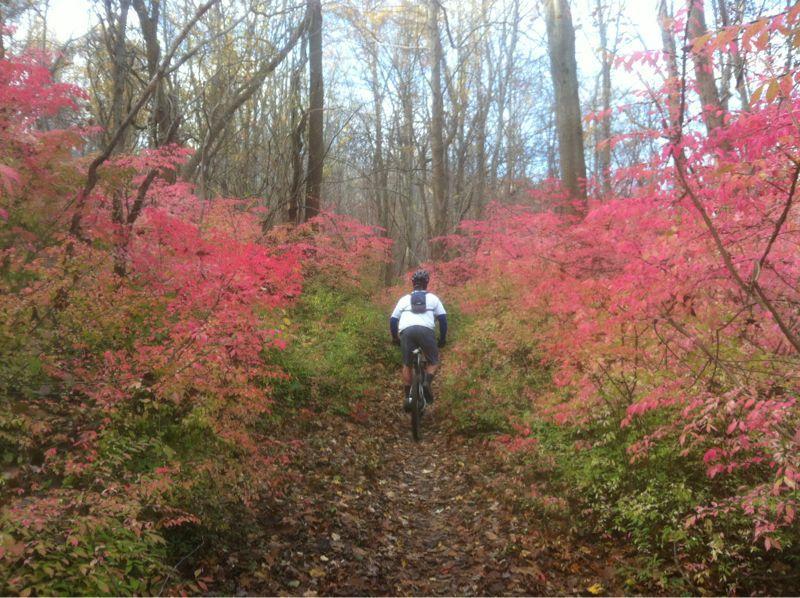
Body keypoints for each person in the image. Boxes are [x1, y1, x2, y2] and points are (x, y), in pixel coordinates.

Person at [389, 269, 447, 411]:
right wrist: (442, 339)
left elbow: (393, 319)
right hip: (426, 332)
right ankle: (426, 382)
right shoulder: (433, 298)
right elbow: (443, 320)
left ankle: (408, 397)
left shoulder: (404, 299)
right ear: (427, 284)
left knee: (407, 364)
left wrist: (395, 337)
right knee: (433, 361)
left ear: (413, 284)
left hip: (407, 332)